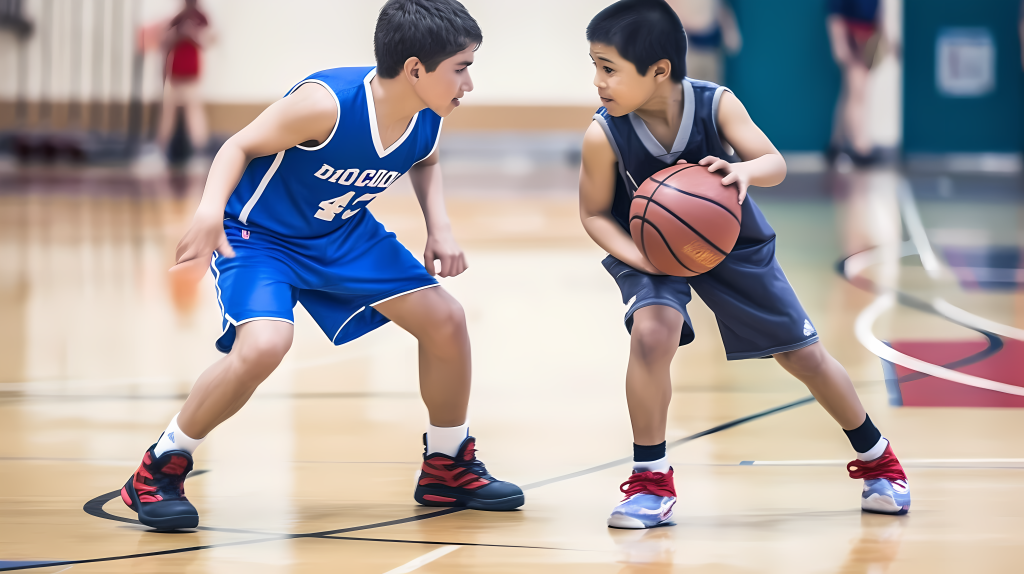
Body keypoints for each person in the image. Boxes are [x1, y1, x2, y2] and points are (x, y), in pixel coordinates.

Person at [119, 0, 524, 531]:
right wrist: (208, 211)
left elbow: (425, 159)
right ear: (416, 69)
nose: (468, 84)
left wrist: (439, 226)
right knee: (264, 345)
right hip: (261, 236)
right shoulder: (326, 104)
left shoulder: (430, 113)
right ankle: (160, 466)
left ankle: (447, 464)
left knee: (446, 320)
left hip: (342, 233)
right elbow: (237, 145)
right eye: (461, 68)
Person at [578, 0, 909, 529]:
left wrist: (743, 171)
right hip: (647, 248)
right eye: (594, 66)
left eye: (609, 68)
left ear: (658, 70)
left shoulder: (716, 105)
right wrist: (644, 257)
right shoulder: (604, 134)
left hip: (732, 242)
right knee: (651, 333)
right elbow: (594, 214)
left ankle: (878, 461)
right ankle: (649, 481)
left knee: (804, 357)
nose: (598, 82)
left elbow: (774, 163)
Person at [825, 0, 889, 166]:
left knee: (851, 92)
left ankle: (836, 143)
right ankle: (860, 147)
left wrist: (884, 37)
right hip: (852, 35)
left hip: (867, 36)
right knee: (857, 92)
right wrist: (839, 44)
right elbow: (835, 12)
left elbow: (878, 11)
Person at [156, 0, 212, 159]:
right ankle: (162, 147)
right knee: (168, 112)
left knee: (194, 111)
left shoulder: (201, 19)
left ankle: (201, 148)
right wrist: (177, 34)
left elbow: (207, 41)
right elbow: (165, 43)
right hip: (175, 74)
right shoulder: (177, 19)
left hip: (191, 75)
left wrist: (191, 34)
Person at [664, 0, 741, 85]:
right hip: (686, 49)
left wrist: (729, 30)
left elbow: (720, 8)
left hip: (711, 48)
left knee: (714, 89)